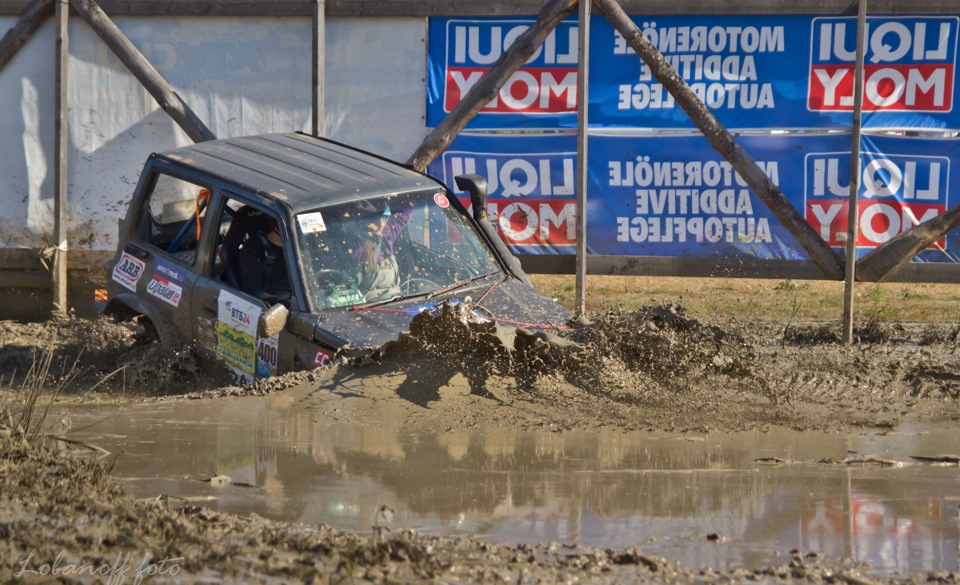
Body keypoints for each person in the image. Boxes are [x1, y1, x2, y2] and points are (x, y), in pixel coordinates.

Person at [353, 200, 413, 301]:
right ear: (364, 222)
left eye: (384, 218)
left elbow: (407, 211)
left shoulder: (387, 234)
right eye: (376, 219)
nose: (381, 223)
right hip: (369, 305)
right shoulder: (353, 246)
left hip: (397, 300)